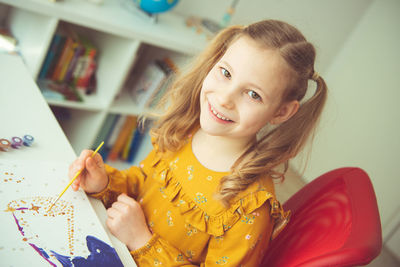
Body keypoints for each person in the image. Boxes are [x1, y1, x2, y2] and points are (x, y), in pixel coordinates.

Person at [69, 19, 327, 266]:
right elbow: (142, 183)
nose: (225, 98)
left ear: (280, 113)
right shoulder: (187, 131)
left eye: (253, 94)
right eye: (226, 73)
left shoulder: (248, 209)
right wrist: (104, 183)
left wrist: (142, 241)